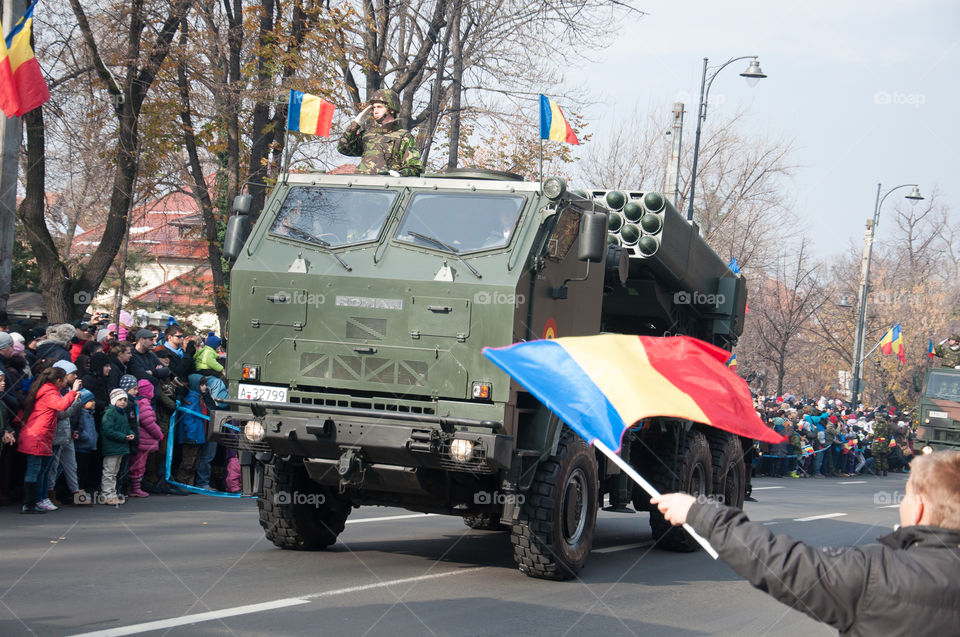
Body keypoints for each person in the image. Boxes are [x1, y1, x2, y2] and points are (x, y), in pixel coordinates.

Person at [651, 450, 960, 636]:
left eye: (905, 494)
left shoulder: (877, 573)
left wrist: (698, 512)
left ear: (919, 506)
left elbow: (781, 562)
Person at [17, 367, 81, 513]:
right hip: (38, 435)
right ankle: (29, 504)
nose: (66, 381)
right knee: (34, 470)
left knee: (41, 470)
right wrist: (73, 391)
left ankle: (36, 501)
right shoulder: (49, 391)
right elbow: (61, 406)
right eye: (64, 378)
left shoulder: (47, 390)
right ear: (58, 380)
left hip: (41, 435)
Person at [336, 89, 423, 177]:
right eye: (373, 108)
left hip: (386, 187)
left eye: (379, 107)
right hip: (361, 185)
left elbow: (415, 168)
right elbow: (343, 148)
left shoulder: (403, 137)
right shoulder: (367, 135)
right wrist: (356, 124)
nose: (375, 111)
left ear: (391, 109)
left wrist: (398, 174)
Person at [100, 389, 134, 506]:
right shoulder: (110, 413)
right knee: (109, 472)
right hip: (112, 447)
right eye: (120, 399)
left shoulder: (122, 413)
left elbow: (126, 427)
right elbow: (108, 431)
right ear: (114, 400)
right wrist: (124, 436)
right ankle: (106, 494)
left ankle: (112, 494)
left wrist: (130, 433)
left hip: (120, 446)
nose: (123, 402)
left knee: (114, 472)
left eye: (125, 400)